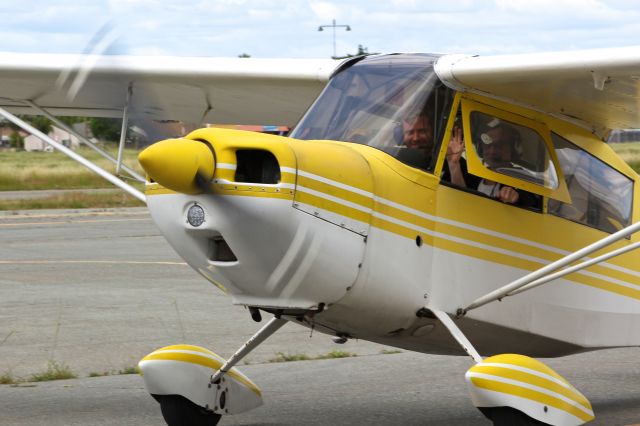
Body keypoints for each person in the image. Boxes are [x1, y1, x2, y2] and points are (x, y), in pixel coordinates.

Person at [446, 122, 539, 208]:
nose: (492, 150)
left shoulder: (522, 177)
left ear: (513, 149)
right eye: (488, 144)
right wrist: (454, 164)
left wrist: (516, 197)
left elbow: (532, 201)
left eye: (500, 144)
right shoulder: (474, 174)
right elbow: (461, 202)